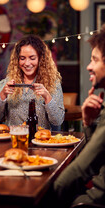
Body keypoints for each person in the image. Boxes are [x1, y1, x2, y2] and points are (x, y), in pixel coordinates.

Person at [51, 25, 105, 207]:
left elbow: (83, 168)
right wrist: (88, 123)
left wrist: (49, 195)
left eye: (95, 60)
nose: (89, 67)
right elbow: (96, 161)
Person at [0, 34, 64, 130]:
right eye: (22, 58)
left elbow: (57, 121)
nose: (27, 63)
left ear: (41, 59)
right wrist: (2, 95)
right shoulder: (6, 83)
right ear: (17, 60)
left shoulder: (53, 84)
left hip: (41, 141)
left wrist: (47, 97)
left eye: (32, 58)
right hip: (14, 140)